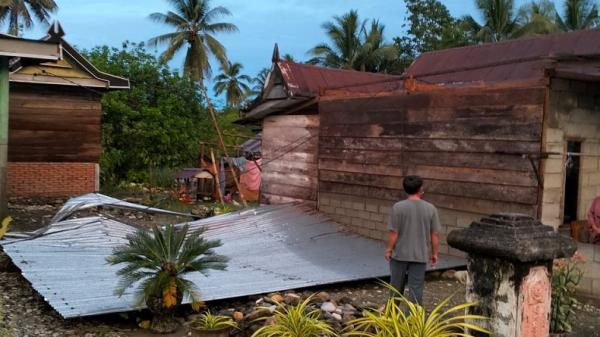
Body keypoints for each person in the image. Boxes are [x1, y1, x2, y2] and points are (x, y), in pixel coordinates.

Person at [385, 175, 441, 305]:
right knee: (416, 289)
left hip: (400, 255)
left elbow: (394, 232)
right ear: (420, 189)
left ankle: (392, 317)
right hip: (420, 255)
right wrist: (434, 254)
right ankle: (413, 320)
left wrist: (388, 249)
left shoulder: (397, 207)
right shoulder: (431, 208)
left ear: (405, 189)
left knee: (395, 288)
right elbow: (435, 234)